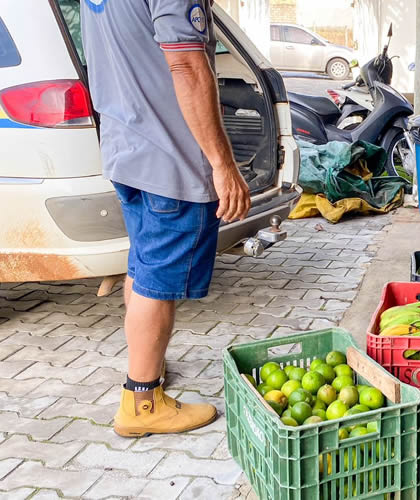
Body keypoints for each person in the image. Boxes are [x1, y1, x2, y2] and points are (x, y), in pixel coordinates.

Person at [81, 0, 251, 436]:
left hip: (126, 147)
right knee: (158, 280)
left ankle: (147, 368)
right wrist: (222, 163)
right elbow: (188, 67)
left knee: (142, 265)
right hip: (168, 159)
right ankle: (142, 403)